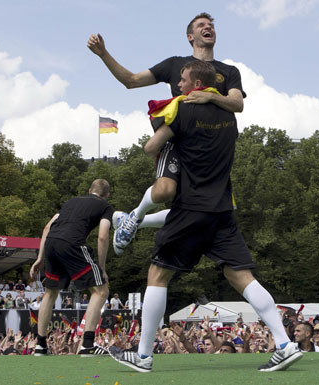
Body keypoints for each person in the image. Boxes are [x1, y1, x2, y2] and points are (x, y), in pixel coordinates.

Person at [108, 61, 301, 373]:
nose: (179, 85)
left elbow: (150, 147)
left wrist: (172, 137)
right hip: (223, 210)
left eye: (183, 79)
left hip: (191, 207)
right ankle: (284, 343)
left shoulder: (180, 109)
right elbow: (231, 108)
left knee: (158, 275)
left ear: (196, 82)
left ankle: (143, 356)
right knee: (241, 276)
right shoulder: (229, 117)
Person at [88, 12, 245, 254]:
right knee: (165, 191)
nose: (209, 27)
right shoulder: (174, 65)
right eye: (202, 25)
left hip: (211, 152)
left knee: (199, 209)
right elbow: (130, 80)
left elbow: (237, 104)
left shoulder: (229, 71)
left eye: (211, 25)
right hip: (178, 141)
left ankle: (135, 220)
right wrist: (103, 55)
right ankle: (137, 215)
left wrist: (210, 95)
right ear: (190, 36)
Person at [29, 179, 113, 357]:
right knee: (101, 291)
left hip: (51, 243)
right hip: (72, 244)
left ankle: (40, 345)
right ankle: (88, 345)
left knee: (50, 293)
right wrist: (102, 268)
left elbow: (47, 228)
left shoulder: (70, 202)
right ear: (107, 195)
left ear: (89, 190)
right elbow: (103, 236)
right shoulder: (105, 207)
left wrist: (40, 258)